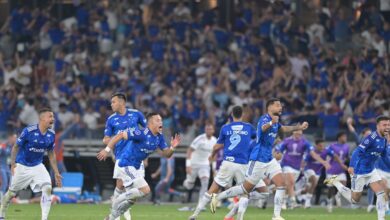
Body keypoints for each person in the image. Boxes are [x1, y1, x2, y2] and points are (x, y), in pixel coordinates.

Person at [210, 98, 309, 220]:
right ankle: (218, 197)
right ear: (270, 108)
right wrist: (272, 122)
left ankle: (276, 216)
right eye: (277, 105)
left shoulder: (276, 121)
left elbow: (283, 129)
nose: (280, 107)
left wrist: (298, 127)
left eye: (280, 105)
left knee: (281, 184)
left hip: (269, 159)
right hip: (257, 159)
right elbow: (262, 129)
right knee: (245, 189)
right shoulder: (264, 119)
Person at [97, 112, 181, 220]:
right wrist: (107, 150)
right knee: (145, 190)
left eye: (161, 120)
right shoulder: (140, 133)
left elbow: (167, 154)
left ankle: (111, 217)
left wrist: (173, 147)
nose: (161, 122)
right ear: (150, 122)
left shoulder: (159, 137)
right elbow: (120, 135)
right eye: (158, 120)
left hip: (136, 166)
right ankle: (116, 199)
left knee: (132, 200)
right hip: (125, 163)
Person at [189, 106, 267, 220]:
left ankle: (194, 215)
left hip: (227, 163)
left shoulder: (225, 128)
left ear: (231, 114)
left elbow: (217, 146)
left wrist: (212, 155)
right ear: (243, 115)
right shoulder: (249, 127)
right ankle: (238, 216)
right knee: (248, 193)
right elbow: (259, 138)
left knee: (211, 190)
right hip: (243, 164)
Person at [0, 108, 62, 220]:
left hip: (38, 166)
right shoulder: (29, 131)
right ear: (42, 119)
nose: (53, 119)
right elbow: (16, 147)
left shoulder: (51, 134)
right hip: (22, 166)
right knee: (11, 193)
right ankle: (1, 215)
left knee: (47, 188)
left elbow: (51, 153)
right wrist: (13, 164)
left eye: (53, 116)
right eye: (50, 116)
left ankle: (44, 218)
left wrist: (56, 172)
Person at [325, 115, 390, 220]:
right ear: (378, 126)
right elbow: (357, 151)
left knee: (381, 193)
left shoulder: (384, 139)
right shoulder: (371, 138)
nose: (387, 127)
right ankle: (335, 182)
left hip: (372, 170)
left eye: (388, 125)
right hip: (359, 171)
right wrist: (351, 166)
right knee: (354, 200)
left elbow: (385, 156)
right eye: (384, 125)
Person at [103, 92, 146, 220]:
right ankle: (117, 215)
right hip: (122, 157)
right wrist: (115, 140)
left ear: (122, 102)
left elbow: (147, 131)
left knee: (132, 189)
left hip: (137, 156)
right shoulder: (111, 119)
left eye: (113, 102)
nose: (111, 104)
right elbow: (105, 139)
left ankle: (115, 211)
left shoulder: (136, 114)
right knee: (123, 185)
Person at [274, 131, 331, 209]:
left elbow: (313, 154)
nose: (298, 135)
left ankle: (283, 201)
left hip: (297, 167)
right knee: (291, 182)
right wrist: (276, 157)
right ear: (293, 132)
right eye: (297, 133)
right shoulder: (287, 141)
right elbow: (277, 151)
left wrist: (323, 162)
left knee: (289, 184)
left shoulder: (304, 142)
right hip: (286, 164)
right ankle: (293, 201)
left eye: (300, 134)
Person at [183, 123, 217, 205]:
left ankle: (201, 204)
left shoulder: (215, 141)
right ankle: (185, 185)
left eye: (210, 129)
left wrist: (214, 169)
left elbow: (214, 156)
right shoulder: (200, 139)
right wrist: (188, 165)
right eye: (207, 129)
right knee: (189, 185)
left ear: (213, 130)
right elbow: (189, 150)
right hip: (194, 163)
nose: (208, 131)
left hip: (205, 164)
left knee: (205, 182)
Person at [302, 139, 337, 208]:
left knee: (308, 188)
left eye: (323, 145)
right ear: (316, 145)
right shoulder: (311, 152)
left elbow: (335, 156)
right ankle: (307, 202)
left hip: (318, 172)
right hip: (309, 170)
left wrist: (330, 163)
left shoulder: (326, 150)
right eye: (320, 146)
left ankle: (299, 196)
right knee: (314, 181)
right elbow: (304, 161)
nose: (322, 147)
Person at [325, 132, 350, 212]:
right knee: (331, 188)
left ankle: (337, 196)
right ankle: (329, 203)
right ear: (339, 137)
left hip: (341, 171)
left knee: (343, 184)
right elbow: (332, 156)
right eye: (344, 137)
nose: (345, 138)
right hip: (331, 170)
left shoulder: (347, 147)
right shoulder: (332, 146)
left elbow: (346, 157)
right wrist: (342, 164)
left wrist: (348, 162)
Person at [0, 132, 16, 201]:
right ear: (10, 138)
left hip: (7, 167)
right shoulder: (3, 145)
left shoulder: (11, 146)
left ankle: (7, 198)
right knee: (4, 183)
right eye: (14, 138)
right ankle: (1, 199)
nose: (15, 139)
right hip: (1, 166)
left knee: (10, 183)